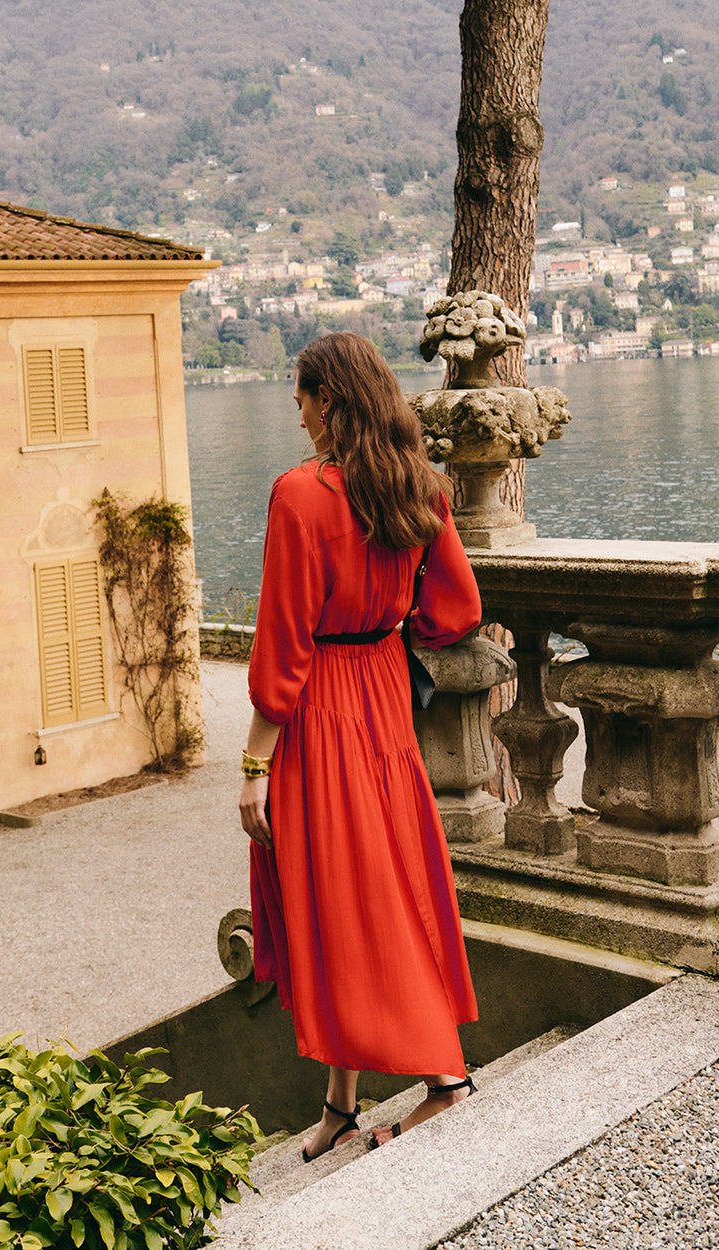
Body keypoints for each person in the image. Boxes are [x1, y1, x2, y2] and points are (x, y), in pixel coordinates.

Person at [238, 332, 483, 1160]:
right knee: (375, 883)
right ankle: (341, 1103)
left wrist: (252, 768)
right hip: (383, 698)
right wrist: (387, 624)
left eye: (302, 398)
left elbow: (283, 645)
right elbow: (455, 613)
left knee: (344, 897)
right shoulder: (420, 487)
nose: (297, 413)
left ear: (330, 401)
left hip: (323, 710)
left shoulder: (301, 497)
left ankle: (444, 1080)